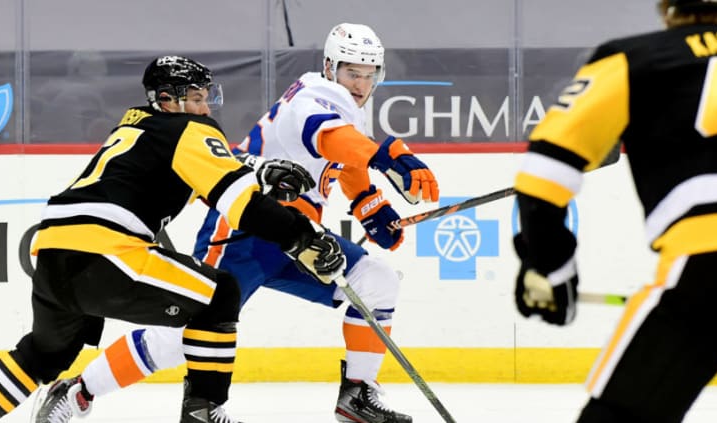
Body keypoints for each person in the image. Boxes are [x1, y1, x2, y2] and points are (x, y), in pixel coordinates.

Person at [34, 24, 439, 423]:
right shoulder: (314, 96)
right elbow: (330, 138)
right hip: (245, 230)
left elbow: (345, 158)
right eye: (353, 73)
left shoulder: (344, 107)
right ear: (331, 67)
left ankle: (357, 396)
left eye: (369, 76)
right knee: (183, 333)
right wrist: (390, 156)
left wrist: (369, 204)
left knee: (377, 280)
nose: (360, 84)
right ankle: (78, 390)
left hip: (299, 238)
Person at [0, 54, 346, 423]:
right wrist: (302, 237)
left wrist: (257, 170)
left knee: (43, 355)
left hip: (53, 251)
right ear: (166, 99)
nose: (204, 107)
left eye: (206, 97)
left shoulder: (135, 127)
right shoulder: (191, 130)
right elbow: (241, 205)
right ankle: (203, 411)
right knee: (219, 293)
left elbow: (196, 167)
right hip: (106, 250)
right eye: (195, 98)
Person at [512, 1, 717, 422]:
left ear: (667, 9)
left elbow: (543, 172)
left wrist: (550, 266)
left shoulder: (633, 59)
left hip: (715, 261)